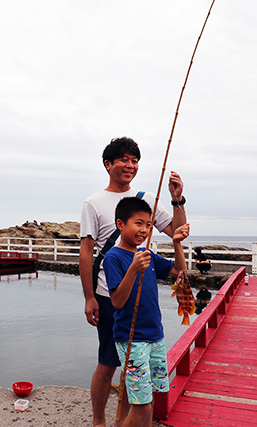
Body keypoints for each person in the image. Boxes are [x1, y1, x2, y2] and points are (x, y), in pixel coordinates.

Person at [79, 137, 187, 427]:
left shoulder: (147, 198)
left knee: (133, 369)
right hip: (109, 295)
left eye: (135, 160)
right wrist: (89, 297)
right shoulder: (93, 203)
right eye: (123, 160)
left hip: (143, 295)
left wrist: (177, 198)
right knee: (108, 363)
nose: (130, 165)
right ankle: (99, 421)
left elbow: (177, 231)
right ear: (108, 164)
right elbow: (87, 253)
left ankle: (126, 420)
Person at [104, 196, 190, 426]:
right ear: (121, 224)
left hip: (155, 336)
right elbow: (117, 301)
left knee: (149, 399)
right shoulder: (113, 257)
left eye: (148, 225)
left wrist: (177, 244)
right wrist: (133, 269)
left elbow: (179, 272)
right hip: (133, 340)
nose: (144, 230)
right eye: (138, 223)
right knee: (142, 408)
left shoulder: (148, 255)